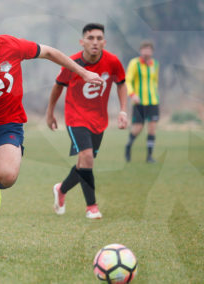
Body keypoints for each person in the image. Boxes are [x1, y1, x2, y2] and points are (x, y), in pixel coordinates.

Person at [0, 15, 104, 253]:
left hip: (8, 124)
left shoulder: (11, 45)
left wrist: (82, 73)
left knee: (7, 176)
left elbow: (50, 52)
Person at [45, 23, 128, 219]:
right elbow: (58, 87)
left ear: (104, 42)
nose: (95, 42)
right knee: (87, 157)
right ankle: (92, 207)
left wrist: (123, 111)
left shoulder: (112, 62)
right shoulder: (71, 62)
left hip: (99, 120)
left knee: (84, 163)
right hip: (75, 117)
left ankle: (61, 189)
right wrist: (50, 113)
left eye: (99, 38)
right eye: (90, 38)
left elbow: (121, 84)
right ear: (82, 42)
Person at [124, 40, 160, 163]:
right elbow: (128, 80)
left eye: (149, 49)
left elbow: (155, 81)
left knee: (152, 128)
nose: (147, 52)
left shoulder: (155, 64)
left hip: (153, 102)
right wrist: (132, 94)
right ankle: (128, 146)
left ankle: (149, 156)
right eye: (144, 49)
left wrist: (155, 94)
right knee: (138, 128)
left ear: (152, 52)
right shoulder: (134, 63)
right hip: (139, 103)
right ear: (141, 51)